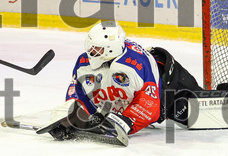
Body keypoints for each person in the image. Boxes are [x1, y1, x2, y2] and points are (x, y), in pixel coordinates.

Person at [43, 22, 202, 146]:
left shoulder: (134, 66)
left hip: (169, 89)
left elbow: (151, 105)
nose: (91, 52)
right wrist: (75, 116)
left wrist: (127, 121)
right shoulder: (84, 62)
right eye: (90, 47)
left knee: (195, 113)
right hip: (124, 101)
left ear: (111, 49)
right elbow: (76, 91)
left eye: (97, 49)